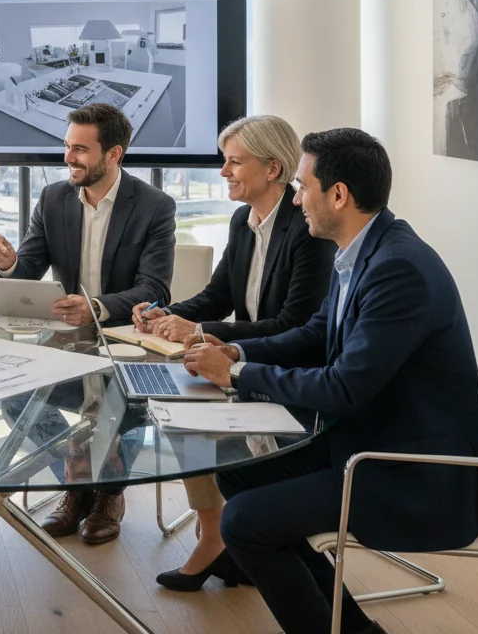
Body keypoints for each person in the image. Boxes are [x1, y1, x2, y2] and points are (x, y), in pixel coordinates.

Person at [184, 128, 478, 634]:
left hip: (412, 473)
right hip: (367, 441)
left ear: (339, 194)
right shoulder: (364, 251)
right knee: (237, 473)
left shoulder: (399, 271)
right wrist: (235, 349)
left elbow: (342, 388)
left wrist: (238, 373)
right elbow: (314, 334)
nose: (297, 198)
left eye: (303, 186)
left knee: (244, 523)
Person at [129, 115, 335, 590]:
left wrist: (197, 329)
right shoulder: (245, 220)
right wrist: (164, 313)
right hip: (244, 358)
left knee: (186, 405)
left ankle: (223, 536)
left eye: (234, 161)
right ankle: (215, 530)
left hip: (283, 371)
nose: (223, 171)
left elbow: (296, 325)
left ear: (273, 169)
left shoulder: (307, 227)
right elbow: (217, 294)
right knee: (175, 400)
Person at [0, 101, 176, 544]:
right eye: (67, 146)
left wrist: (95, 306)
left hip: (125, 343)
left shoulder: (154, 206)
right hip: (67, 343)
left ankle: (105, 493)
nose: (69, 158)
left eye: (81, 150)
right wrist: (11, 263)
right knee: (16, 402)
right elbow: (29, 266)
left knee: (117, 406)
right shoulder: (53, 198)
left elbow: (155, 289)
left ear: (114, 155)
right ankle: (79, 479)